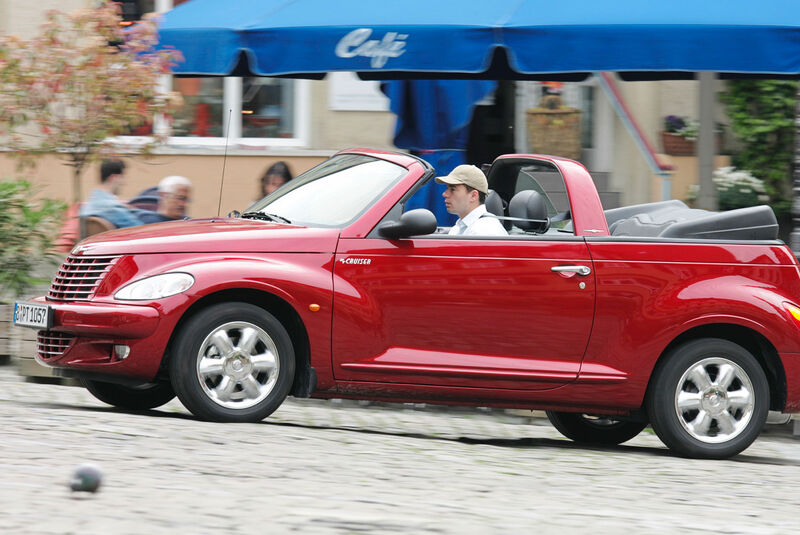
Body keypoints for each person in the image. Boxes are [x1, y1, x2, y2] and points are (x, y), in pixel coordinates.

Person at [436, 164, 507, 237]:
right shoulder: (459, 228)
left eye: (452, 189)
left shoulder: (484, 230)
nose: (445, 194)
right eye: (447, 188)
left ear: (473, 195)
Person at [79, 159, 145, 229]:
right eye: (123, 177)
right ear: (114, 177)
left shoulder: (87, 206)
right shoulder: (112, 208)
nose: (124, 183)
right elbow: (140, 230)